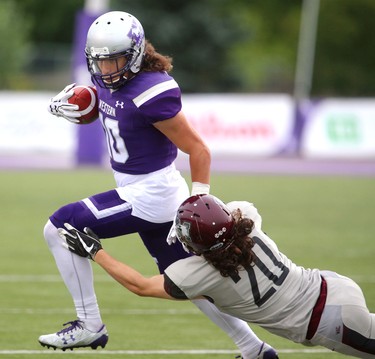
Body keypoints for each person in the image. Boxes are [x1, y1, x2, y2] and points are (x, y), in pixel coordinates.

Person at [40, 10, 277, 359]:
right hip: (150, 192)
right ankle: (255, 349)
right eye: (100, 63)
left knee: (58, 226)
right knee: (189, 282)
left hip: (150, 193)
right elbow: (111, 106)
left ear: (134, 55)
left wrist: (200, 198)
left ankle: (90, 324)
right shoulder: (109, 82)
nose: (106, 70)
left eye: (115, 61)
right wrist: (85, 104)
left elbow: (198, 148)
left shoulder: (152, 91)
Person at [59, 193, 375, 359]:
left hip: (329, 320)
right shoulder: (247, 221)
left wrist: (96, 251)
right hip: (329, 285)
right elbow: (229, 211)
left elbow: (139, 285)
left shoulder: (201, 273)